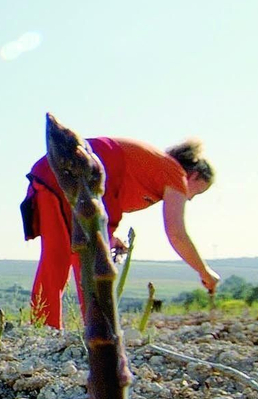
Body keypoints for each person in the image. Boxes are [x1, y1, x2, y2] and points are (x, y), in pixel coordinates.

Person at [23, 136, 218, 329]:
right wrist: (204, 271)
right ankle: (81, 329)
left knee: (69, 258)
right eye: (197, 192)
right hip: (66, 176)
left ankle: (55, 328)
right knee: (76, 261)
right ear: (193, 176)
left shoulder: (154, 166)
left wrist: (109, 237)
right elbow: (176, 234)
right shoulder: (175, 173)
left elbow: (102, 205)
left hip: (53, 173)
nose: (190, 198)